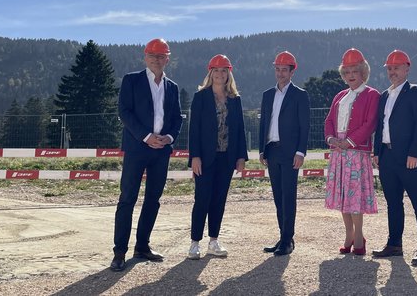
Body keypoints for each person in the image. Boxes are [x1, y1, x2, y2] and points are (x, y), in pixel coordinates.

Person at [110, 38, 183, 272]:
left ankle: (142, 246)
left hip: (161, 151)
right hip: (137, 148)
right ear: (145, 57)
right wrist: (146, 136)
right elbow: (124, 111)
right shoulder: (131, 80)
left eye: (161, 56)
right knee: (127, 199)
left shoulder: (172, 87)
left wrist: (168, 138)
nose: (157, 59)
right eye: (152, 55)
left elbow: (176, 119)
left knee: (153, 200)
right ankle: (119, 252)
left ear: (167, 59)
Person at [372, 50, 417, 266]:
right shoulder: (384, 96)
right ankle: (394, 244)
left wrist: (415, 153)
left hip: (410, 158)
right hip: (387, 157)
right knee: (393, 203)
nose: (392, 72)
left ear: (407, 68)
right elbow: (379, 127)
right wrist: (377, 152)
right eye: (389, 68)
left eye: (396, 67)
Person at [188, 54, 248, 259]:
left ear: (228, 74)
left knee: (219, 200)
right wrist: (194, 156)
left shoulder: (235, 100)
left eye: (224, 71)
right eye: (216, 70)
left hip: (226, 158)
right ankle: (195, 243)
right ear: (210, 72)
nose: (220, 74)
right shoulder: (200, 97)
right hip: (204, 158)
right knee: (202, 199)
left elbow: (240, 129)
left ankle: (213, 241)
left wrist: (241, 157)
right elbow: (193, 129)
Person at [324, 48, 379, 256]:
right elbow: (329, 121)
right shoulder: (340, 96)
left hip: (356, 153)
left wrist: (349, 141)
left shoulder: (372, 94)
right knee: (343, 196)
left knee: (354, 197)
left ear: (363, 72)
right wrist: (331, 139)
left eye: (354, 71)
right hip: (338, 153)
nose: (350, 76)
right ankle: (348, 233)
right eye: (346, 72)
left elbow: (370, 123)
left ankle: (359, 236)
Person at [259, 51, 310, 256]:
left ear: (292, 71)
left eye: (284, 70)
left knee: (289, 196)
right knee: (278, 196)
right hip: (272, 150)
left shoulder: (300, 95)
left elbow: (304, 126)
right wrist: (262, 149)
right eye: (277, 69)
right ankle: (282, 236)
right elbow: (264, 123)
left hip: (290, 153)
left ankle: (288, 240)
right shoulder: (267, 95)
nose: (280, 73)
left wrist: (300, 152)